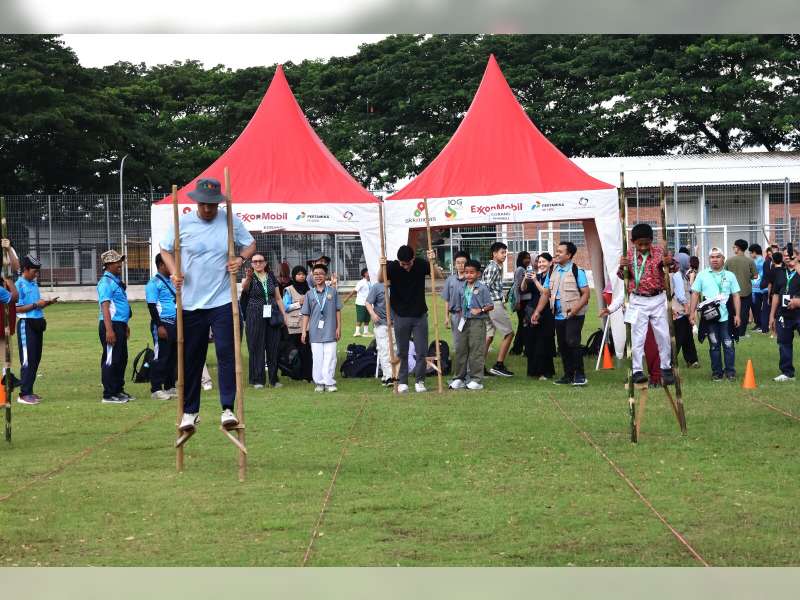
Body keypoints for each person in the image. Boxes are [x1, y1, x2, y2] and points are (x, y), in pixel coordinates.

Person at [160, 177, 257, 432]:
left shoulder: (229, 220)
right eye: (204, 204)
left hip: (223, 299)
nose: (208, 209)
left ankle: (227, 408)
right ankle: (190, 412)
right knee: (192, 357)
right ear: (197, 202)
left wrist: (240, 259)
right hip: (191, 303)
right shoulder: (183, 222)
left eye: (212, 205)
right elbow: (165, 249)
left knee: (227, 353)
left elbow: (250, 244)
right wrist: (174, 271)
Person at [600, 223, 676, 385]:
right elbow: (622, 277)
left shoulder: (659, 253)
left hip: (657, 299)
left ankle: (666, 367)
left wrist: (669, 262)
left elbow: (674, 268)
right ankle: (637, 370)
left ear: (651, 241)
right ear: (633, 242)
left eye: (646, 244)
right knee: (638, 337)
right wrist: (623, 266)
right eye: (639, 244)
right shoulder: (628, 255)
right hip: (637, 300)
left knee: (663, 335)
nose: (643, 247)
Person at [378, 244, 443, 394]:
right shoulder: (393, 266)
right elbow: (381, 279)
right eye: (403, 264)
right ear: (398, 261)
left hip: (420, 315)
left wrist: (432, 261)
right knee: (402, 351)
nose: (406, 267)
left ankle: (419, 381)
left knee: (421, 350)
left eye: (408, 263)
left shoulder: (420, 264)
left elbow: (438, 276)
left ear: (413, 258)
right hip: (400, 315)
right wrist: (382, 265)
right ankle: (402, 382)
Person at [532, 241, 590, 386]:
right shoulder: (553, 271)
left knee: (572, 341)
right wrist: (538, 311)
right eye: (556, 251)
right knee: (563, 345)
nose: (556, 253)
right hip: (557, 315)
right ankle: (568, 375)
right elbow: (546, 293)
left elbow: (586, 294)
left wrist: (575, 309)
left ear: (569, 255)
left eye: (560, 251)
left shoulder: (577, 271)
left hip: (574, 314)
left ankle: (579, 375)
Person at [689, 247, 741, 381]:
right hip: (709, 317)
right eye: (712, 257)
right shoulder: (702, 275)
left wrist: (738, 315)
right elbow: (695, 293)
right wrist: (692, 312)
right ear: (709, 259)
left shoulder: (730, 275)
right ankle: (717, 372)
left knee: (729, 344)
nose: (715, 259)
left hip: (727, 317)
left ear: (723, 258)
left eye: (718, 257)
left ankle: (730, 372)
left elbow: (736, 295)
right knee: (714, 344)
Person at [240, 253, 287, 389]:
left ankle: (273, 379)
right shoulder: (249, 278)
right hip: (254, 315)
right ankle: (257, 379)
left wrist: (284, 315)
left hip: (272, 313)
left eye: (260, 261)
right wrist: (248, 278)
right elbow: (245, 289)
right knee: (256, 347)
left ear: (265, 263)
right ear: (252, 264)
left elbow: (278, 298)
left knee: (273, 346)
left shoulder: (271, 277)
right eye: (254, 261)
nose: (258, 264)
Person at [449, 259, 494, 391]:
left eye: (472, 273)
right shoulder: (461, 287)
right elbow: (457, 304)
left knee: (476, 351)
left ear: (478, 274)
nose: (469, 275)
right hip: (463, 321)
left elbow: (490, 305)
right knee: (460, 349)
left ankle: (476, 379)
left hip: (477, 322)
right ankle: (459, 378)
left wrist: (481, 310)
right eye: (466, 272)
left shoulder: (482, 288)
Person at [97, 249, 134, 403]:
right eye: (117, 262)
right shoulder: (105, 283)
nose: (120, 265)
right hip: (110, 325)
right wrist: (109, 330)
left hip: (119, 324)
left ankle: (118, 389)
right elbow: (105, 308)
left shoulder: (115, 281)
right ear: (108, 264)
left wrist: (125, 325)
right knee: (111, 359)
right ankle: (109, 393)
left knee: (121, 358)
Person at [300, 263, 342, 392]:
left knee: (331, 357)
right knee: (317, 357)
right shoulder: (309, 294)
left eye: (321, 274)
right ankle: (319, 382)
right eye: (316, 274)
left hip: (330, 330)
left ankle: (329, 382)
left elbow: (338, 310)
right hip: (315, 332)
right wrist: (303, 332)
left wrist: (338, 328)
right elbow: (306, 314)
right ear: (312, 276)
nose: (318, 276)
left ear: (326, 276)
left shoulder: (332, 292)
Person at [145, 253, 177, 400]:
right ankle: (156, 389)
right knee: (161, 356)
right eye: (170, 263)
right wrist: (159, 326)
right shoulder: (153, 283)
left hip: (175, 323)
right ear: (162, 265)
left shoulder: (171, 281)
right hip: (163, 324)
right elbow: (152, 307)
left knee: (172, 357)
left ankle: (170, 386)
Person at [521, 252, 555, 380]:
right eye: (539, 262)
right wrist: (526, 278)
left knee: (544, 341)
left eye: (544, 262)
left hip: (546, 312)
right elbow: (523, 289)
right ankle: (533, 371)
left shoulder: (552, 276)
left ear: (550, 263)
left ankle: (544, 371)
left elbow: (545, 292)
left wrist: (535, 280)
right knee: (531, 341)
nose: (541, 264)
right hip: (532, 310)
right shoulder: (538, 275)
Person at [482, 242, 514, 377]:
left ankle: (478, 367)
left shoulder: (496, 267)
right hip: (493, 305)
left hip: (493, 304)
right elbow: (484, 288)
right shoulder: (493, 268)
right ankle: (498, 365)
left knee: (489, 336)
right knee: (509, 333)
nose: (505, 255)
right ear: (494, 254)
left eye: (505, 252)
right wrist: (489, 305)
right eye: (502, 252)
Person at [769, 251, 800, 381]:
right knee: (784, 343)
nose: (787, 257)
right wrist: (772, 315)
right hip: (784, 313)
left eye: (791, 254)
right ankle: (787, 373)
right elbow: (776, 294)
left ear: (798, 256)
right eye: (785, 255)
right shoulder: (780, 272)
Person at [283, 265, 312, 382]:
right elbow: (285, 307)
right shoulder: (288, 289)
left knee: (306, 350)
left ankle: (307, 375)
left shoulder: (309, 289)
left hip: (307, 325)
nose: (301, 276)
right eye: (299, 274)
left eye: (303, 274)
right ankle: (293, 374)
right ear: (294, 276)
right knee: (293, 351)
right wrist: (298, 303)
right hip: (293, 326)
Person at [365, 275, 396, 386]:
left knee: (394, 349)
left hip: (395, 323)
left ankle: (390, 374)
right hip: (381, 323)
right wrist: (373, 314)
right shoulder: (377, 287)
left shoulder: (397, 285)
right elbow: (368, 302)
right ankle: (389, 376)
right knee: (384, 349)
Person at [725, 239, 758, 337]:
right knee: (744, 313)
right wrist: (748, 276)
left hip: (731, 292)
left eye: (734, 247)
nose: (733, 248)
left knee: (731, 312)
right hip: (746, 290)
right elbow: (755, 276)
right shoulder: (750, 261)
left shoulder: (729, 260)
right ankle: (741, 333)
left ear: (738, 248)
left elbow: (724, 274)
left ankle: (731, 331)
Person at [670, 266, 699, 368]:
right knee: (678, 337)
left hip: (684, 311)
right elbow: (679, 294)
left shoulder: (683, 276)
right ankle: (670, 361)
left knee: (688, 337)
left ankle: (692, 360)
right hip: (678, 311)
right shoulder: (674, 275)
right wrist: (686, 307)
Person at [441, 250, 469, 350]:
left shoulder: (470, 279)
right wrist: (446, 317)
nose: (461, 265)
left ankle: (471, 365)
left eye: (463, 263)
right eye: (458, 262)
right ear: (454, 264)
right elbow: (447, 300)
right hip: (455, 316)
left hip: (469, 315)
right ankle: (461, 363)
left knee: (469, 341)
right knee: (458, 342)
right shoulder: (450, 280)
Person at [510, 251, 532, 355]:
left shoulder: (525, 269)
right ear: (520, 259)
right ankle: (516, 348)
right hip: (522, 302)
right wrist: (518, 302)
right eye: (525, 258)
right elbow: (516, 287)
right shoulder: (520, 270)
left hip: (526, 301)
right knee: (522, 325)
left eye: (529, 258)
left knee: (523, 324)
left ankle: (518, 348)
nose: (527, 260)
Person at [343, 268, 372, 337]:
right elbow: (354, 291)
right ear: (365, 274)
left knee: (367, 318)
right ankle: (357, 332)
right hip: (361, 303)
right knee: (360, 317)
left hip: (369, 303)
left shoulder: (371, 282)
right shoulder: (361, 282)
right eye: (368, 272)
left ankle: (365, 332)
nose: (369, 273)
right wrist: (347, 298)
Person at [749, 244, 766, 332]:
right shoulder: (763, 261)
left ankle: (759, 324)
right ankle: (758, 324)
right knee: (757, 307)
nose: (750, 255)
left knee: (756, 307)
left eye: (751, 253)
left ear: (754, 252)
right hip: (761, 287)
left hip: (756, 287)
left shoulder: (756, 262)